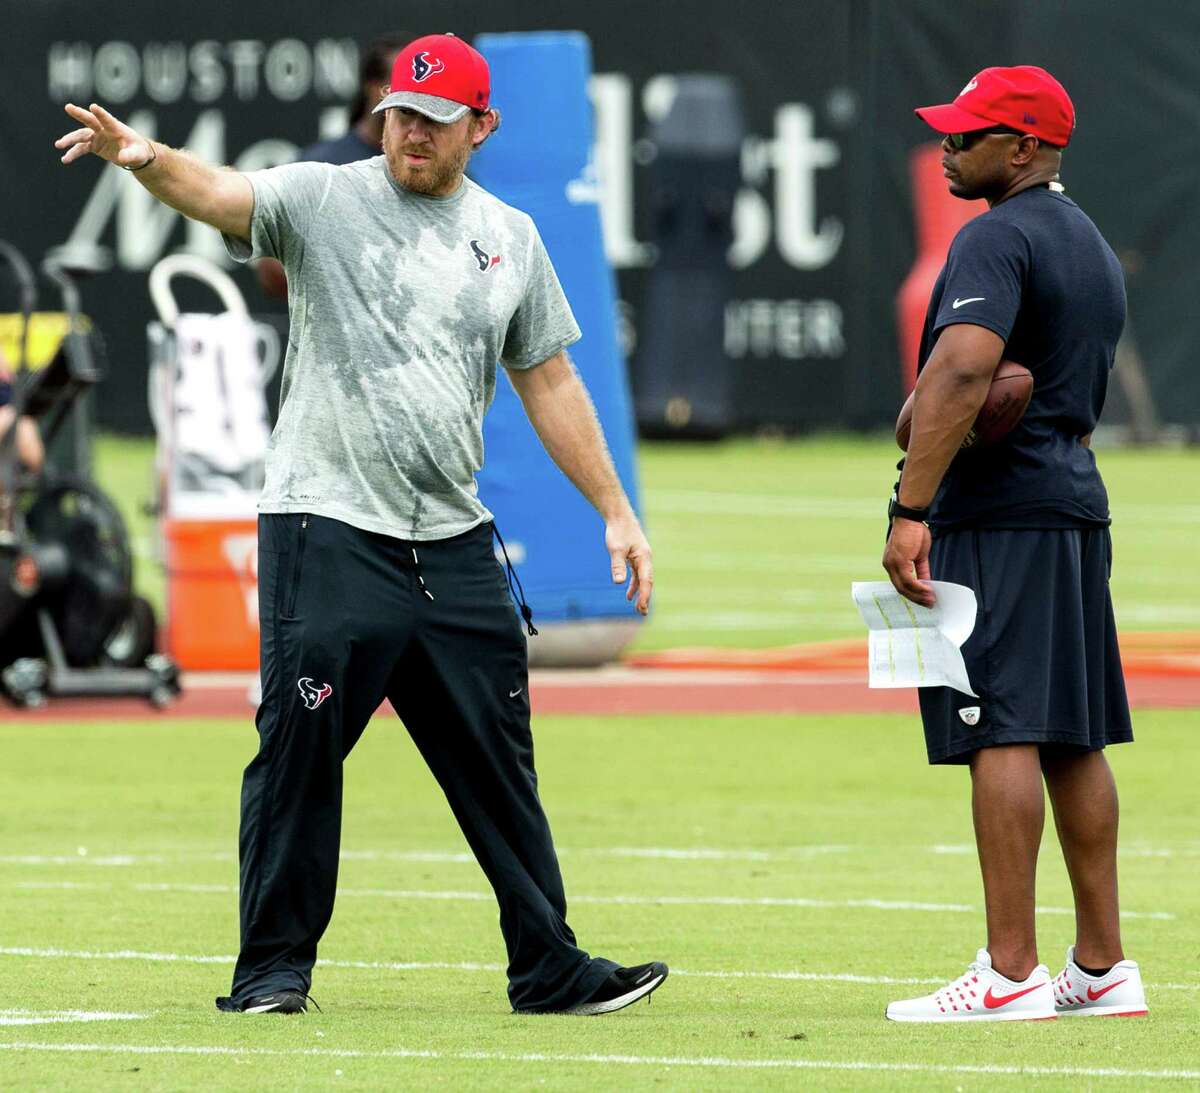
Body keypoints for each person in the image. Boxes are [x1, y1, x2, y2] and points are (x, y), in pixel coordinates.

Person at [56, 32, 667, 1018]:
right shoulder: (327, 196)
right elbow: (224, 196)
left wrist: (615, 509)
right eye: (399, 115)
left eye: (432, 120)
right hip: (328, 524)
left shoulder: (510, 235)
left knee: (499, 763)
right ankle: (271, 972)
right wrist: (149, 162)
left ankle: (546, 965)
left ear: (480, 126)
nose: (410, 135)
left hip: (454, 541)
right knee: (298, 750)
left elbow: (549, 380)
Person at [881, 66, 1147, 1023]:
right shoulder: (1086, 241)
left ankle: (1008, 971)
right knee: (1074, 734)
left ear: (1024, 147)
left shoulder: (994, 235)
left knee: (999, 724)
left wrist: (909, 511)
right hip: (1073, 500)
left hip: (1000, 513)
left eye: (968, 134)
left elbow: (961, 370)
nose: (949, 148)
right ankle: (1103, 965)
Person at [255, 34, 407, 299]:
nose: (410, 101)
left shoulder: (438, 170)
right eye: (400, 87)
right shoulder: (320, 164)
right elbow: (270, 269)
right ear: (372, 87)